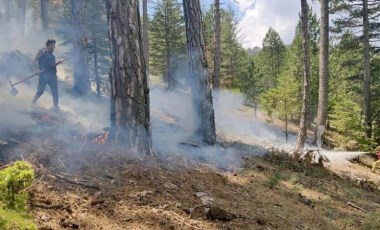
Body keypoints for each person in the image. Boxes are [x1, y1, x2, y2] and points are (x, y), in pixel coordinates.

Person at [32, 39, 62, 111]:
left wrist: (57, 63)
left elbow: (51, 66)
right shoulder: (42, 51)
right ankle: (32, 103)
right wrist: (37, 70)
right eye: (53, 45)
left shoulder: (52, 55)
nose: (54, 47)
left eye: (54, 45)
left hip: (52, 76)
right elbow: (34, 61)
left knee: (55, 92)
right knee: (41, 91)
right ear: (49, 45)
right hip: (43, 75)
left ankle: (55, 107)